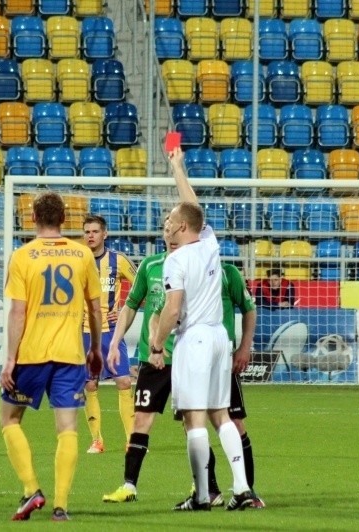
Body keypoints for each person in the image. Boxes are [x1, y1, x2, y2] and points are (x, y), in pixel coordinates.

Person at [101, 224, 265, 509]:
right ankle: (133, 484)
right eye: (165, 228)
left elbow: (170, 311)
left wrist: (244, 347)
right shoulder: (152, 266)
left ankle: (223, 490)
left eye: (174, 226)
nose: (169, 233)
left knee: (214, 420)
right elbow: (146, 309)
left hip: (197, 353)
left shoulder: (217, 270)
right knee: (177, 419)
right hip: (168, 357)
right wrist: (123, 343)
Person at [148, 147, 254, 511]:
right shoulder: (210, 244)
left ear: (179, 228)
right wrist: (178, 167)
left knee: (194, 418)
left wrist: (157, 345)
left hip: (192, 339)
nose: (164, 228)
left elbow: (173, 308)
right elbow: (193, 207)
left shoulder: (174, 260)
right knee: (220, 413)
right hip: (219, 338)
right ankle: (241, 489)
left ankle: (202, 494)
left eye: (168, 223)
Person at [0, 191, 102, 522]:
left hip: (31, 353)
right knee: (68, 428)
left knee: (9, 419)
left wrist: (10, 359)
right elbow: (95, 307)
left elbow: (18, 311)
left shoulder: (22, 256)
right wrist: (96, 349)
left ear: (32, 219)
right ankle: (61, 506)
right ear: (63, 220)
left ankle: (31, 489)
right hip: (70, 354)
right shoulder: (82, 254)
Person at [81, 214, 137, 454]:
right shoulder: (76, 261)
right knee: (90, 385)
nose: (90, 236)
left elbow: (141, 286)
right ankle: (97, 440)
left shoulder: (118, 261)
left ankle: (132, 441)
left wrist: (123, 309)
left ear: (105, 234)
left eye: (95, 231)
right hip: (83, 332)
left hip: (112, 332)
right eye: (87, 231)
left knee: (124, 381)